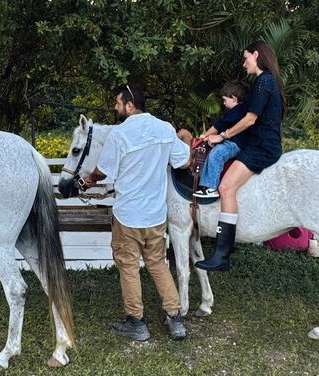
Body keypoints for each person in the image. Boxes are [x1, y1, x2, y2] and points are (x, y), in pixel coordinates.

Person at [82, 83, 191, 341]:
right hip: (155, 215)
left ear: (130, 105)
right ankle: (175, 320)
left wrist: (89, 179)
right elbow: (184, 161)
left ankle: (137, 323)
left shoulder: (120, 135)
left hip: (128, 215)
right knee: (158, 264)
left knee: (129, 267)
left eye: (118, 103)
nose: (116, 107)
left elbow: (103, 170)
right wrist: (185, 138)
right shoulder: (165, 130)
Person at [195, 40, 286, 272]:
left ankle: (222, 255)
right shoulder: (267, 82)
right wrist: (208, 133)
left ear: (256, 55)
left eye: (246, 58)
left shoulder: (263, 81)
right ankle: (222, 251)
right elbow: (238, 113)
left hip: (262, 147)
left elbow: (249, 119)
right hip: (259, 144)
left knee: (225, 188)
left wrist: (222, 136)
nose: (244, 63)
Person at [193, 80, 250, 198]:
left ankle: (211, 187)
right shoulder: (244, 110)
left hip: (234, 144)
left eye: (225, 100)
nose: (224, 103)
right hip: (240, 143)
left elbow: (218, 126)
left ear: (234, 99)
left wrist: (205, 135)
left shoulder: (237, 110)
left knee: (216, 153)